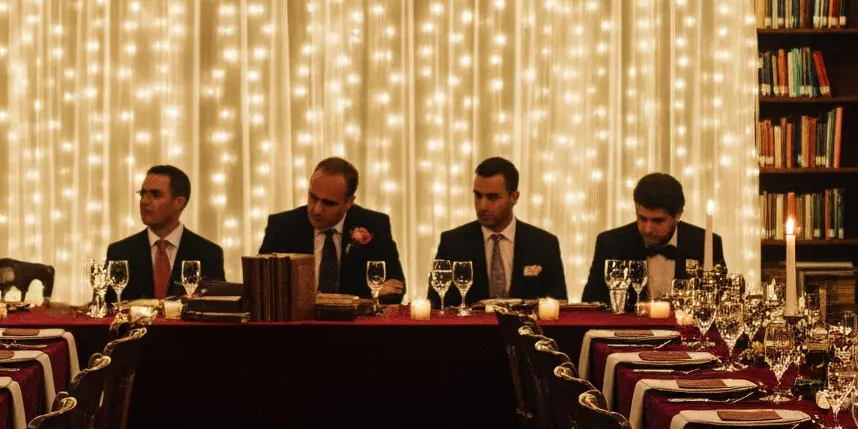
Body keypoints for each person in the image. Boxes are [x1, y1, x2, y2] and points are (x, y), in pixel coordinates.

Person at [261, 157, 405, 299]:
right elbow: (261, 286)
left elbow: (396, 287)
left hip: (355, 314)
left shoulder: (373, 224)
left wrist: (362, 299)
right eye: (313, 197)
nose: (317, 209)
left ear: (349, 202)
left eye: (328, 203)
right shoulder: (282, 226)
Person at [431, 157, 567, 304]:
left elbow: (559, 305)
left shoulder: (544, 244)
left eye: (492, 197)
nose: (482, 206)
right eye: (478, 196)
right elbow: (437, 305)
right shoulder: (453, 243)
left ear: (514, 197)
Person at [582, 172, 722, 304]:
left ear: (678, 215)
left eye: (658, 221)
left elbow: (717, 302)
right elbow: (591, 305)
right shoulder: (611, 243)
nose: (648, 229)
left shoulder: (705, 243)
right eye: (642, 218)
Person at [106, 165, 225, 301]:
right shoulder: (120, 252)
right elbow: (107, 307)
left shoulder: (208, 254)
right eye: (142, 194)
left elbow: (216, 307)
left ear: (179, 203)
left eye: (155, 195)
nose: (144, 201)